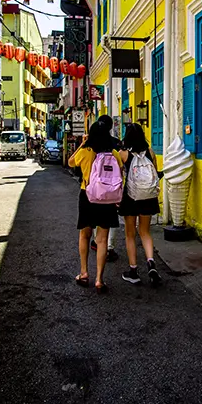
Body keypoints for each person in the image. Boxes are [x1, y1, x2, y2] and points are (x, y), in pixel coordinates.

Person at [68, 122, 123, 293]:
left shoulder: (85, 152)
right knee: (102, 240)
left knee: (84, 235)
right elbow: (120, 174)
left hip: (88, 197)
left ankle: (84, 273)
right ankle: (100, 279)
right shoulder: (113, 154)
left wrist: (82, 144)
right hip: (107, 199)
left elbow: (70, 162)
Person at [118, 123, 162, 286]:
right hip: (149, 197)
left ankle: (133, 271)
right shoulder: (150, 153)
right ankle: (151, 263)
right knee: (145, 232)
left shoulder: (123, 154)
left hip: (131, 197)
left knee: (130, 233)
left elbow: (118, 175)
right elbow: (155, 174)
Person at [88, 114, 123, 262]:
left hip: (95, 192)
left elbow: (75, 164)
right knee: (111, 221)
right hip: (112, 191)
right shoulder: (115, 146)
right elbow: (121, 169)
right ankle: (109, 247)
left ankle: (97, 242)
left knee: (96, 221)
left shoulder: (90, 148)